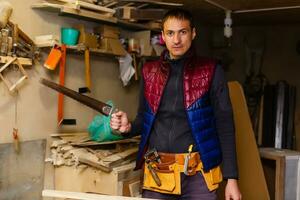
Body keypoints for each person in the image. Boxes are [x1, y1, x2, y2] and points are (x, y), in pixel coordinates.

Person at [110, 8, 241, 200]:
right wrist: (128, 127)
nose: (176, 40)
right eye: (170, 33)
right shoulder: (149, 72)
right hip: (159, 172)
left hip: (198, 175)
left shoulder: (212, 71)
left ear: (193, 33)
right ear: (163, 36)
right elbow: (143, 119)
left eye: (183, 32)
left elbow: (225, 125)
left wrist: (232, 178)